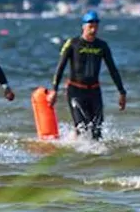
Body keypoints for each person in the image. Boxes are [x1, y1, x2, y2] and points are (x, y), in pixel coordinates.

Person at [50, 11, 127, 139]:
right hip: (75, 91)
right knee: (82, 127)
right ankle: (77, 150)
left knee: (97, 131)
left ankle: (96, 157)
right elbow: (60, 67)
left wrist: (122, 92)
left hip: (94, 92)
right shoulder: (73, 44)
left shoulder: (102, 46)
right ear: (83, 26)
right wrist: (54, 90)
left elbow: (113, 69)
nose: (93, 30)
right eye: (90, 26)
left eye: (96, 26)